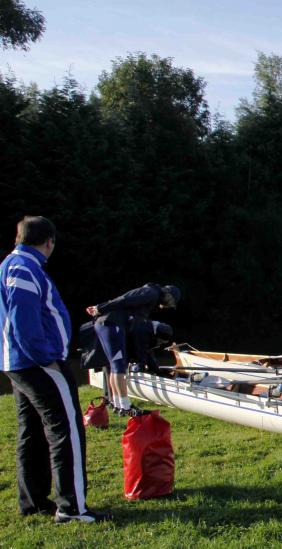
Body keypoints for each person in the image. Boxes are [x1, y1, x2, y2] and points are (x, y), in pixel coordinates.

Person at [2, 216, 109, 523]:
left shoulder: (12, 264)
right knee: (67, 428)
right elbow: (24, 319)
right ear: (48, 242)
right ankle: (72, 507)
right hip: (37, 363)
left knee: (32, 430)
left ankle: (33, 501)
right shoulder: (24, 268)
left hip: (19, 363)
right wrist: (45, 356)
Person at [84, 282, 181, 414]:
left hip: (108, 324)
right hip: (111, 324)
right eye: (170, 302)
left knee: (114, 366)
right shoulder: (151, 293)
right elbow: (125, 299)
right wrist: (100, 308)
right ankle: (125, 406)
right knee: (119, 366)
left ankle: (118, 404)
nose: (167, 306)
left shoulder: (151, 295)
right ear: (168, 295)